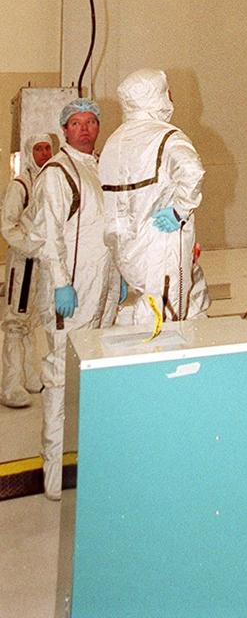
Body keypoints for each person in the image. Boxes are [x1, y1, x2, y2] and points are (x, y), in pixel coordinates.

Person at [29, 99, 120, 500]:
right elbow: (50, 236)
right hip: (71, 296)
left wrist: (117, 277)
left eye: (91, 122)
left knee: (96, 380)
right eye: (76, 123)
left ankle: (92, 467)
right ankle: (52, 477)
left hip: (102, 293)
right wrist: (62, 283)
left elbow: (109, 229)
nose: (84, 129)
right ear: (63, 130)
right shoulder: (57, 173)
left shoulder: (101, 167)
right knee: (60, 380)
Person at [99, 69, 209, 327]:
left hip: (127, 251)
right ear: (157, 96)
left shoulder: (113, 143)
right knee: (165, 320)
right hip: (162, 246)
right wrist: (180, 211)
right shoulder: (166, 136)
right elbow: (192, 171)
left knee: (178, 308)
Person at [0, 133, 54, 408]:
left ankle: (31, 377)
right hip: (23, 264)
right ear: (29, 152)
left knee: (32, 320)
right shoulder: (21, 185)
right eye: (39, 149)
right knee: (15, 323)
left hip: (42, 263)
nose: (44, 153)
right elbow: (7, 224)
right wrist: (30, 247)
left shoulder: (51, 181)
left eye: (47, 148)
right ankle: (10, 385)